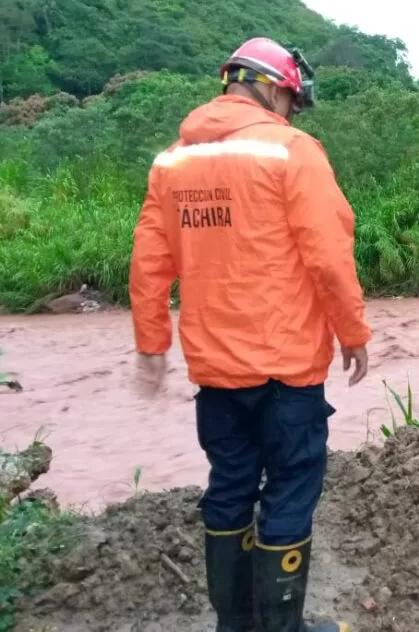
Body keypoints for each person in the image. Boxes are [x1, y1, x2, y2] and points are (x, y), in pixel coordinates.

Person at [129, 37, 371, 632]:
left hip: (215, 371)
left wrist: (152, 341)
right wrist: (352, 331)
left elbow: (149, 261)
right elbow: (328, 254)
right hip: (287, 369)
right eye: (290, 98)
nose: (290, 110)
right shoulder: (292, 151)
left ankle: (233, 627)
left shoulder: (172, 162)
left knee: (229, 486)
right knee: (290, 491)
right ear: (270, 87)